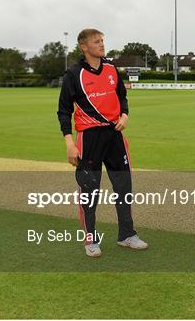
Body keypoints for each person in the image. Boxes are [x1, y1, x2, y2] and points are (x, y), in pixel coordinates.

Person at [57, 28, 147, 257]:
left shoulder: (111, 68)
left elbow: (121, 96)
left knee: (123, 186)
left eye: (102, 41)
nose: (101, 44)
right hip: (89, 138)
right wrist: (69, 143)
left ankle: (126, 234)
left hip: (115, 135)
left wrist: (124, 115)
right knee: (90, 190)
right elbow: (64, 111)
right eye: (96, 41)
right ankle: (90, 239)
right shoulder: (73, 74)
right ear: (84, 47)